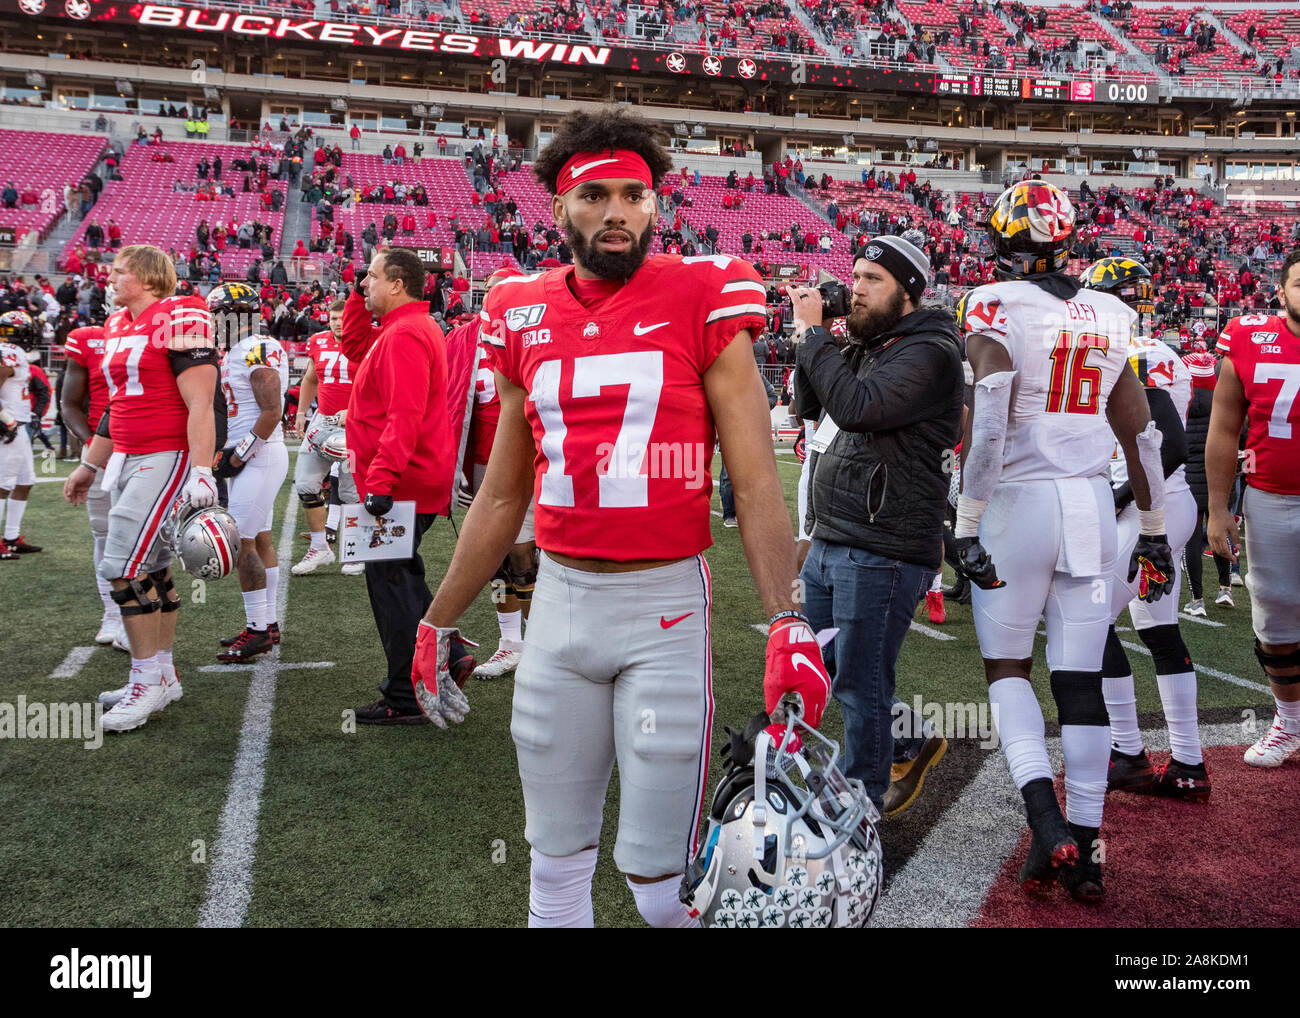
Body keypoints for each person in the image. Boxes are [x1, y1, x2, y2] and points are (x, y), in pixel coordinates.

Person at [411, 107, 830, 928]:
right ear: (558, 210)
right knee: (554, 868)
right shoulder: (519, 309)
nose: (617, 213)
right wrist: (436, 620)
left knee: (656, 884)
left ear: (655, 205)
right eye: (595, 195)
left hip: (663, 608)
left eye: (635, 195)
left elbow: (755, 482)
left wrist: (789, 622)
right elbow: (503, 495)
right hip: (560, 605)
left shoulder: (704, 293)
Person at [956, 181, 1174, 903]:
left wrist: (965, 518)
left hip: (1017, 503)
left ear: (999, 241)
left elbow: (989, 409)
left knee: (1008, 669)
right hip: (1087, 504)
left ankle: (1045, 818)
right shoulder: (1111, 311)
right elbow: (1140, 428)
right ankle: (1088, 849)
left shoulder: (994, 302)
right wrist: (1152, 527)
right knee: (1079, 679)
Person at [788, 236, 963, 815]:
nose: (855, 289)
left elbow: (858, 408)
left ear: (908, 292)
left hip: (885, 546)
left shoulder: (931, 350)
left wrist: (817, 336)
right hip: (838, 534)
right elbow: (811, 406)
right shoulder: (877, 343)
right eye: (855, 276)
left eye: (872, 280)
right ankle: (911, 738)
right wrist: (813, 337)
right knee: (829, 667)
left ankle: (860, 808)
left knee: (861, 684)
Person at [62, 244, 221, 733]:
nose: (109, 277)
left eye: (119, 270)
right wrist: (91, 463)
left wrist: (201, 470)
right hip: (127, 455)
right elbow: (117, 406)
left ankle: (144, 681)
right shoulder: (115, 325)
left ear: (150, 277)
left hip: (166, 455)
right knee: (152, 567)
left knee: (121, 567)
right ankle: (163, 674)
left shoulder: (180, 314)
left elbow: (202, 403)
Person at [1079, 258, 1208, 800]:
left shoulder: (1144, 354)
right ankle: (1188, 762)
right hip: (1159, 507)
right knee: (1157, 629)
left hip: (1153, 509)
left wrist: (1118, 497)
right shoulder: (1138, 352)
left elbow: (1171, 447)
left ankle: (1128, 751)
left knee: (1091, 619)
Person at [340, 247, 463, 724]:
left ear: (396, 284)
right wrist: (355, 293)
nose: (363, 283)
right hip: (404, 477)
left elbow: (405, 414)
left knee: (389, 582)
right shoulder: (400, 328)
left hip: (402, 481)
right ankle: (443, 658)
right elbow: (353, 345)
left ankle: (406, 693)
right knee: (399, 575)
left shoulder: (406, 333)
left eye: (370, 277)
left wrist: (382, 481)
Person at [1206, 249, 1300, 768]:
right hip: (1271, 497)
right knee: (1276, 615)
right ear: (1281, 291)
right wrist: (1219, 509)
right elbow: (1223, 430)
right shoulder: (1247, 338)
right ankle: (1289, 723)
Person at [452, 268, 538, 679]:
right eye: (488, 292)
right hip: (484, 468)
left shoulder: (538, 338)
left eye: (501, 291)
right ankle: (510, 643)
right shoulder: (467, 344)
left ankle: (538, 642)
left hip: (534, 464)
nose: (493, 299)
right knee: (497, 560)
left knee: (528, 557)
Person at [209, 283, 290, 662]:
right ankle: (267, 622)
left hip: (259, 455)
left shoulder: (255, 348)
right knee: (259, 540)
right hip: (257, 454)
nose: (211, 321)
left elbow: (272, 411)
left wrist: (239, 456)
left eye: (216, 314)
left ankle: (257, 630)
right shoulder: (241, 350)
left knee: (241, 544)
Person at [61, 324, 127, 644]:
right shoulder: (87, 339)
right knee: (103, 531)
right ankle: (113, 614)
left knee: (144, 535)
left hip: (147, 445)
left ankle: (137, 614)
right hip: (101, 448)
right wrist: (92, 445)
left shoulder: (159, 328)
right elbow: (69, 403)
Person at [290, 300, 363, 577]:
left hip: (356, 423)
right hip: (322, 420)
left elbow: (382, 383)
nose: (337, 323)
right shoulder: (318, 341)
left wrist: (356, 411)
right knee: (306, 484)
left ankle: (356, 550)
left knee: (350, 491)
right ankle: (320, 547)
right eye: (333, 318)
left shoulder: (367, 341)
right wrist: (300, 413)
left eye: (342, 318)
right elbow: (310, 378)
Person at [1180, 348, 1231, 614]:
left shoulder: (1181, 400)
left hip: (1189, 478)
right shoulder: (1222, 398)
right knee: (1219, 531)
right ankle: (1225, 588)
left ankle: (1197, 599)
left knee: (1191, 540)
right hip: (1217, 476)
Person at [0, 311, 41, 558]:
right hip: (11, 426)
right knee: (3, 484)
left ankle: (12, 537)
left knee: (25, 481)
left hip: (20, 424)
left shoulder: (14, 352)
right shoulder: (8, 353)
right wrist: (7, 420)